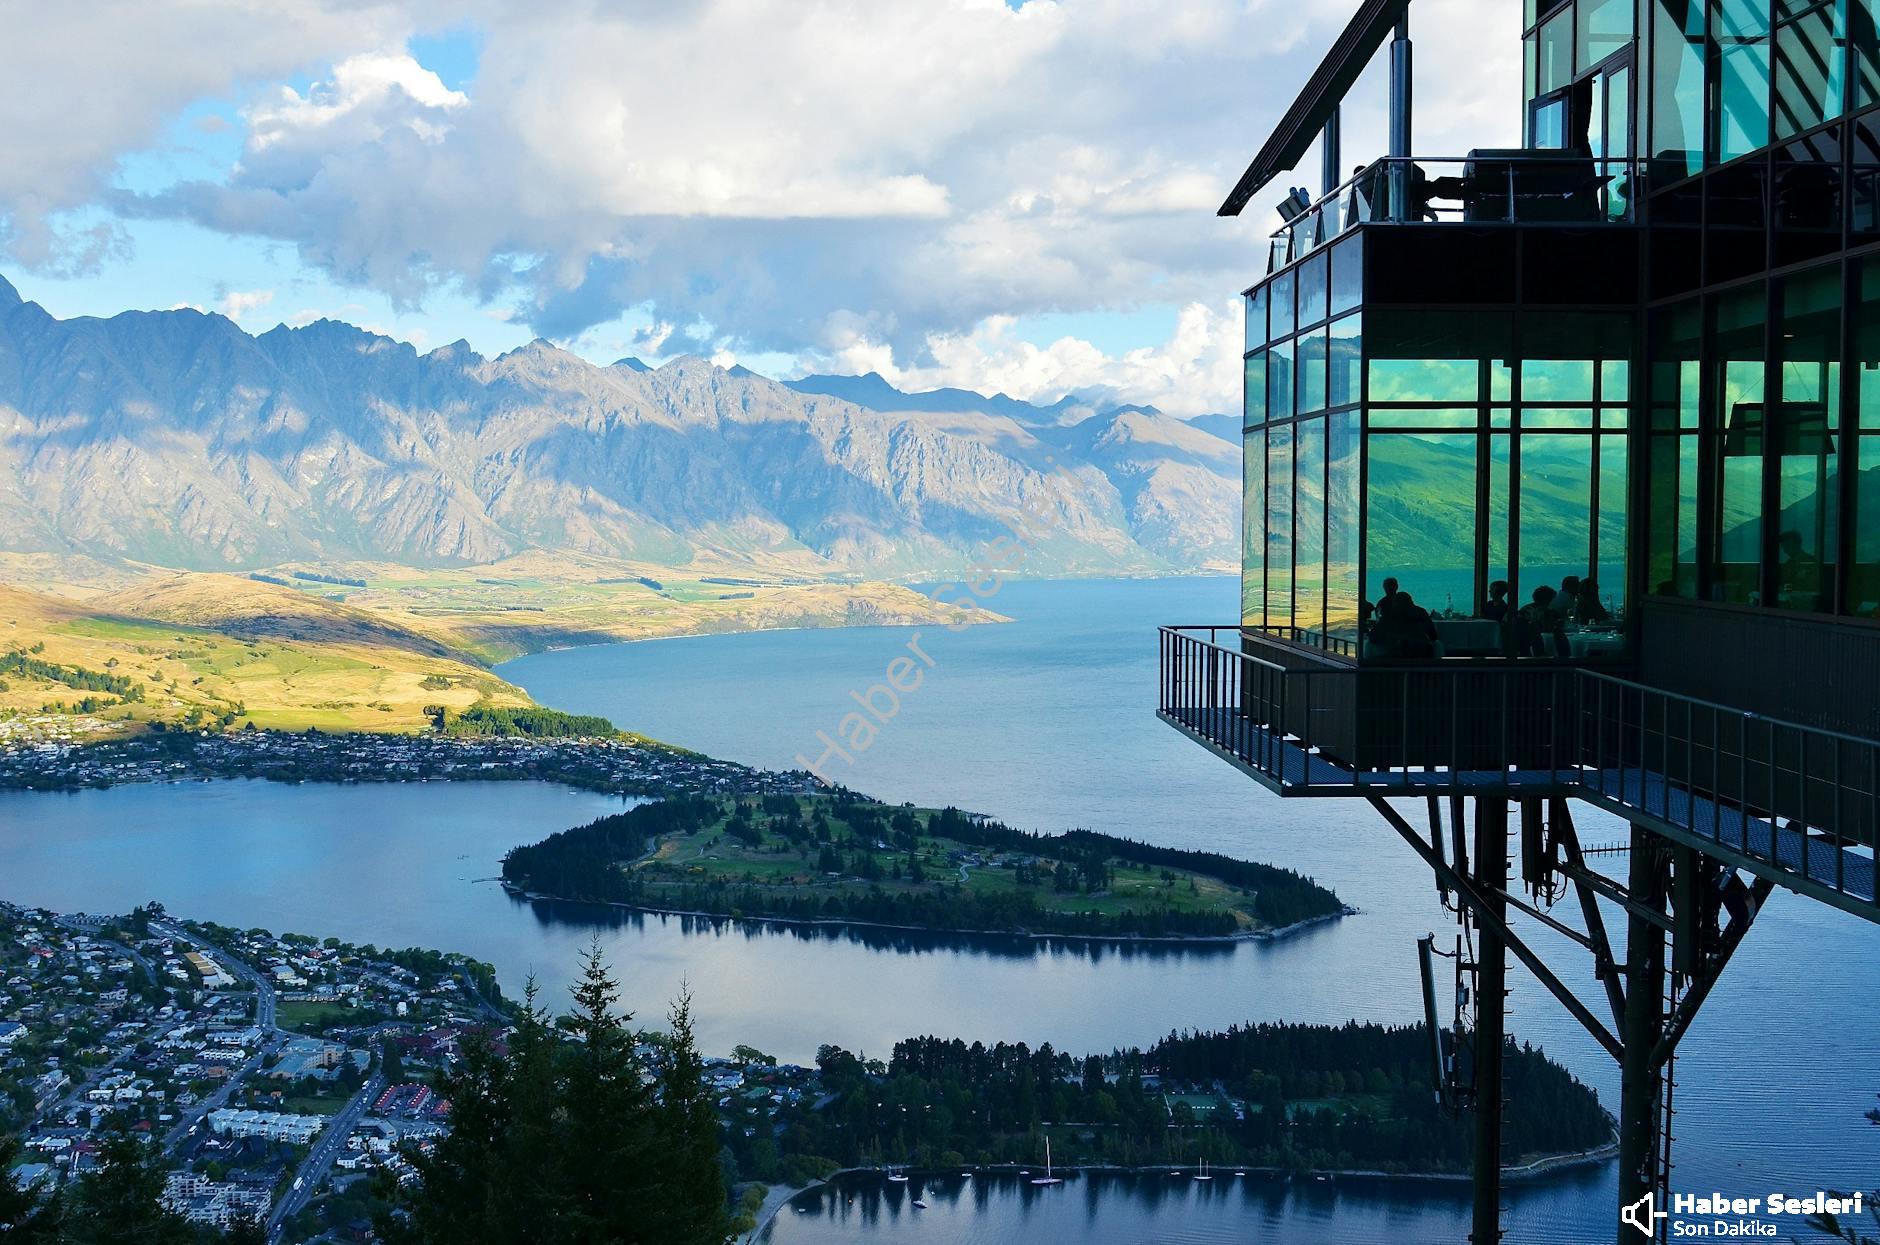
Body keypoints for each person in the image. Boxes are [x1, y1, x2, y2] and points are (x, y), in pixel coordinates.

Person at [1372, 590, 1438, 659]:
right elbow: (1433, 636)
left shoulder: (1390, 615)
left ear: (1395, 603)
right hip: (1423, 657)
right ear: (1411, 601)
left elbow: (1374, 636)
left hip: (1397, 657)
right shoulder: (1421, 612)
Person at [1514, 585, 1566, 658]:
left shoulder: (1525, 610)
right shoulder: (1532, 613)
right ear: (1549, 600)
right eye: (1554, 599)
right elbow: (1547, 629)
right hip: (1530, 652)